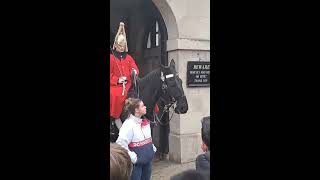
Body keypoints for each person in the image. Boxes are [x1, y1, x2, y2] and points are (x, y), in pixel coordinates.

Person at [116, 98, 157, 180]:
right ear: (136, 110)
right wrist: (133, 158)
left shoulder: (145, 122)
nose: (145, 107)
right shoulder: (128, 125)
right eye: (142, 106)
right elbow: (120, 144)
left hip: (147, 162)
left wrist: (152, 148)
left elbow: (148, 139)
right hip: (136, 165)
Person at [110, 22, 140, 130]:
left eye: (123, 46)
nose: (121, 48)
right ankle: (115, 119)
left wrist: (134, 72)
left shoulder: (128, 57)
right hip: (116, 85)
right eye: (119, 46)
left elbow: (135, 68)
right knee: (115, 95)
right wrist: (118, 80)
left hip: (129, 84)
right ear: (116, 45)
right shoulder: (111, 58)